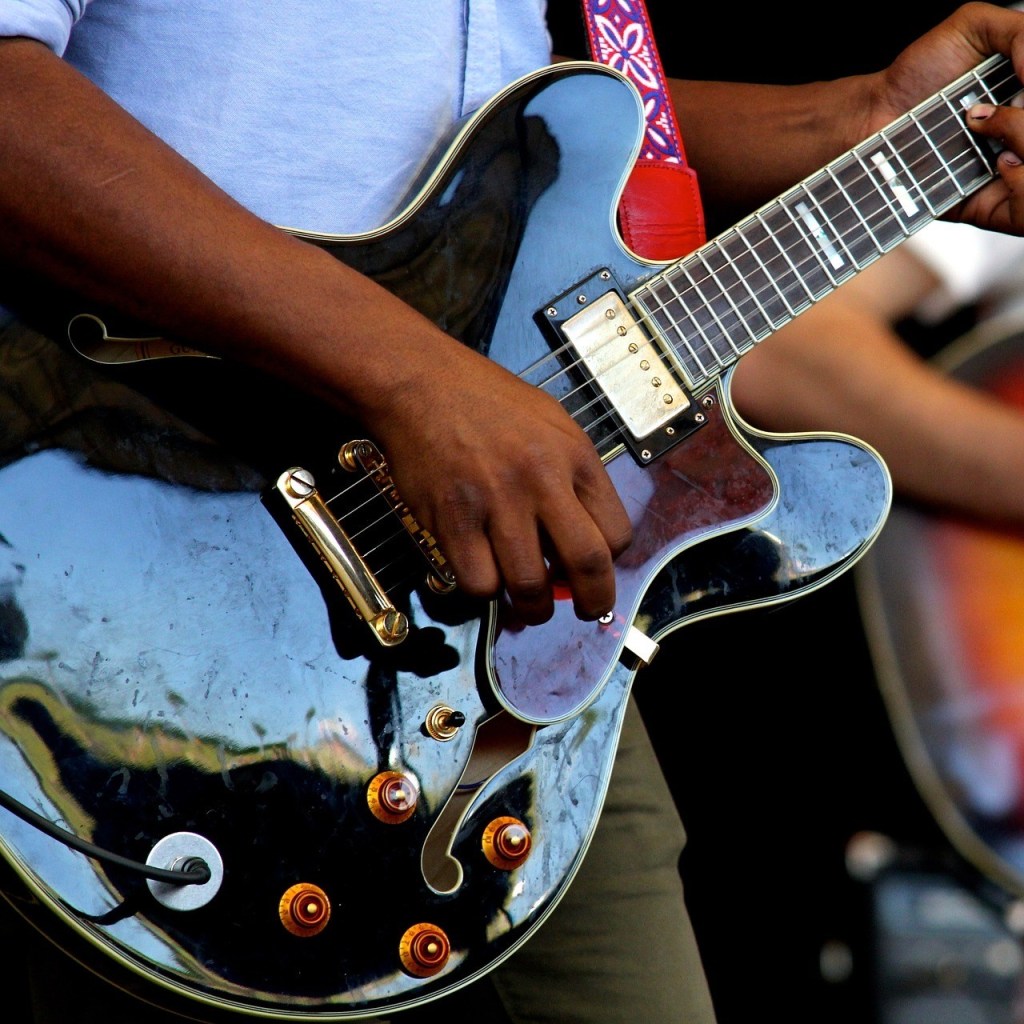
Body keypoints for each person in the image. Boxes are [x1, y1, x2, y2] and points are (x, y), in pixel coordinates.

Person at [4, 3, 1024, 1023]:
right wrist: (414, 380)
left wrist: (867, 118)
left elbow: (509, 140)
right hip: (153, 558)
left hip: (514, 645)